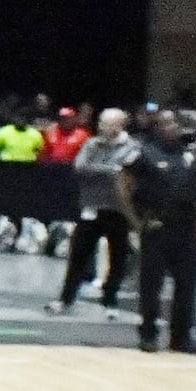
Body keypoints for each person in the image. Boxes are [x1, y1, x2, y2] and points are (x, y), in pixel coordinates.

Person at [126, 106, 196, 357]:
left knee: (187, 285)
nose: (172, 127)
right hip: (156, 227)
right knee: (151, 285)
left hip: (186, 228)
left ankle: (181, 336)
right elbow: (121, 182)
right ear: (157, 128)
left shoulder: (193, 157)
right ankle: (148, 334)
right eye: (166, 123)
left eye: (175, 123)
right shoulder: (146, 154)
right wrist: (133, 219)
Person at [58, 108, 137, 311]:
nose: (103, 127)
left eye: (109, 124)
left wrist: (103, 171)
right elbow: (80, 167)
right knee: (79, 254)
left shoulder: (132, 146)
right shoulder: (92, 144)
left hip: (117, 209)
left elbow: (126, 173)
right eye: (101, 123)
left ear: (120, 126)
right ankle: (66, 297)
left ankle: (109, 298)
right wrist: (111, 171)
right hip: (91, 206)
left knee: (117, 256)